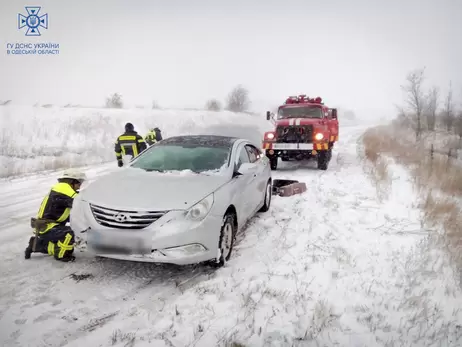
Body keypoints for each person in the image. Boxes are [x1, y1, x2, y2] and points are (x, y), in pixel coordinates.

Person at [25, 168, 87, 262]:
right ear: (71, 181)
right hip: (48, 227)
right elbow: (81, 203)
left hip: (47, 226)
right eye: (79, 183)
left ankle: (37, 245)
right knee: (72, 233)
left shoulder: (61, 188)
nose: (79, 187)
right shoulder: (63, 189)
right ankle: (61, 255)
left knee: (69, 238)